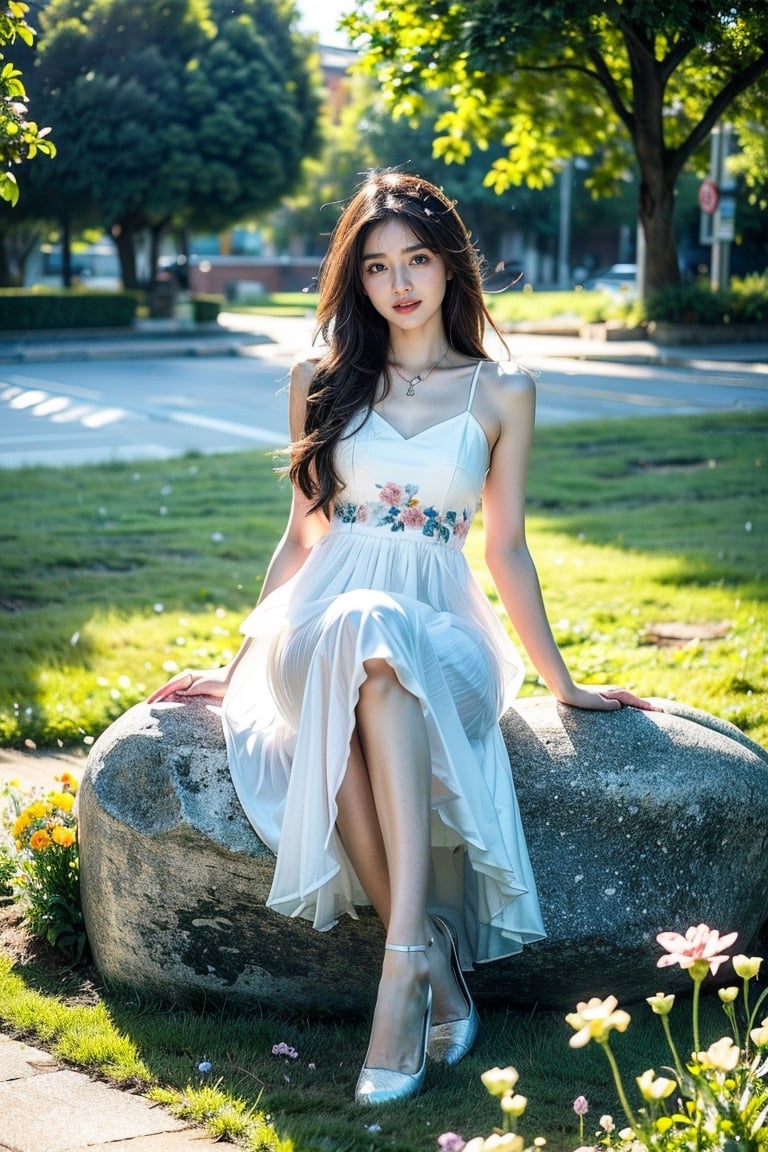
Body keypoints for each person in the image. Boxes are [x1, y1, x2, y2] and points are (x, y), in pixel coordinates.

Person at [148, 169, 654, 1106]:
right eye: (377, 267)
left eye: (417, 258)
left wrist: (564, 682)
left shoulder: (503, 391)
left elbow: (505, 549)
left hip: (443, 638)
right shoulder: (320, 381)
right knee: (350, 635)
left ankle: (418, 972)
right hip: (322, 627)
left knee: (373, 655)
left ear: (450, 265)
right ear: (358, 280)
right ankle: (413, 964)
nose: (400, 283)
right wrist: (240, 669)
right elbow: (300, 538)